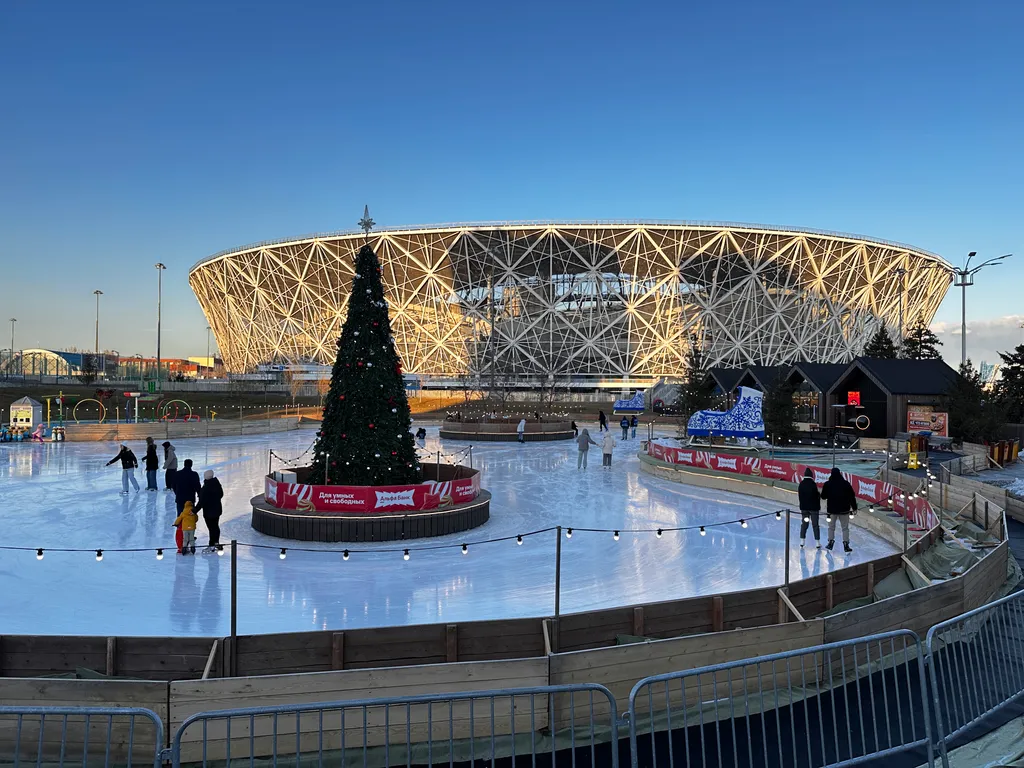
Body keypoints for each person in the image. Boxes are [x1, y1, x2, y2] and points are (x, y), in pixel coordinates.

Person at [820, 467, 857, 553]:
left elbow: (823, 496)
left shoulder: (827, 484)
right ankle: (846, 544)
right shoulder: (846, 484)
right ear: (840, 474)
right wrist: (854, 508)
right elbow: (852, 497)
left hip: (832, 511)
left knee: (831, 527)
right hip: (844, 510)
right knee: (845, 528)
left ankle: (830, 542)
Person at [194, 469, 224, 548]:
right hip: (217, 510)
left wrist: (194, 510)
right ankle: (216, 542)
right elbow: (221, 494)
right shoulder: (217, 484)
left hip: (208, 511)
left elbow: (201, 502)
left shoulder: (206, 487)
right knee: (215, 526)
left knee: (211, 528)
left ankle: (212, 544)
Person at [798, 468, 822, 548]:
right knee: (815, 525)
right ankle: (817, 542)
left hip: (804, 509)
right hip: (814, 509)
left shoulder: (801, 484)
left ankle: (802, 541)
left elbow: (800, 496)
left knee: (804, 524)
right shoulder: (813, 484)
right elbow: (816, 496)